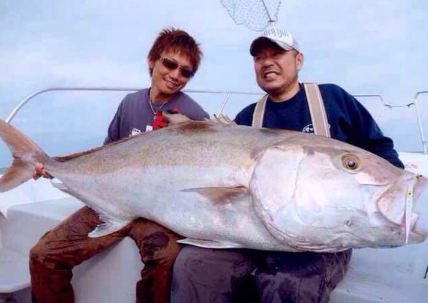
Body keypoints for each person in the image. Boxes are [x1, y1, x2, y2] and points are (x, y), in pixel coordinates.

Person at [170, 27, 404, 303]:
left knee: (290, 286)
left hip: (319, 242)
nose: (267, 62)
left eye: (277, 53)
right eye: (259, 57)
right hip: (253, 232)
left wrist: (397, 195)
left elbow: (380, 149)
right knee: (192, 268)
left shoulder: (333, 99)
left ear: (298, 59)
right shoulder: (246, 118)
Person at [29, 27, 209, 303]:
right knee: (43, 256)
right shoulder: (130, 103)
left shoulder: (194, 116)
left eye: (185, 72)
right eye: (169, 64)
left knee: (166, 257)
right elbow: (105, 154)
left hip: (155, 213)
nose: (175, 75)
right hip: (110, 201)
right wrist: (54, 167)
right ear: (152, 60)